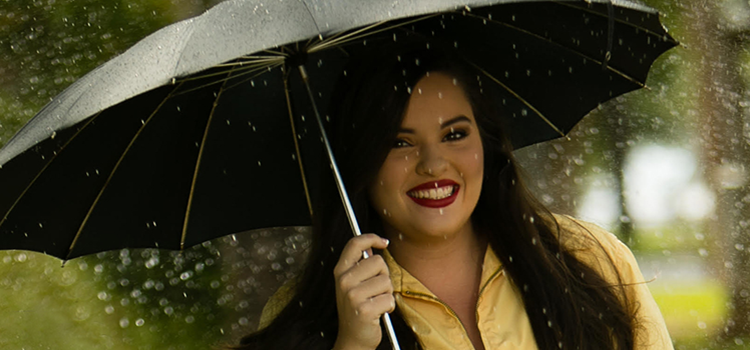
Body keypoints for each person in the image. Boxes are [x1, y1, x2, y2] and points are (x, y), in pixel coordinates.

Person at [233, 46, 673, 350]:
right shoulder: (322, 311)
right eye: (399, 143)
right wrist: (350, 344)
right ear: (361, 163)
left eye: (455, 134)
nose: (433, 164)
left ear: (488, 143)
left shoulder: (588, 259)